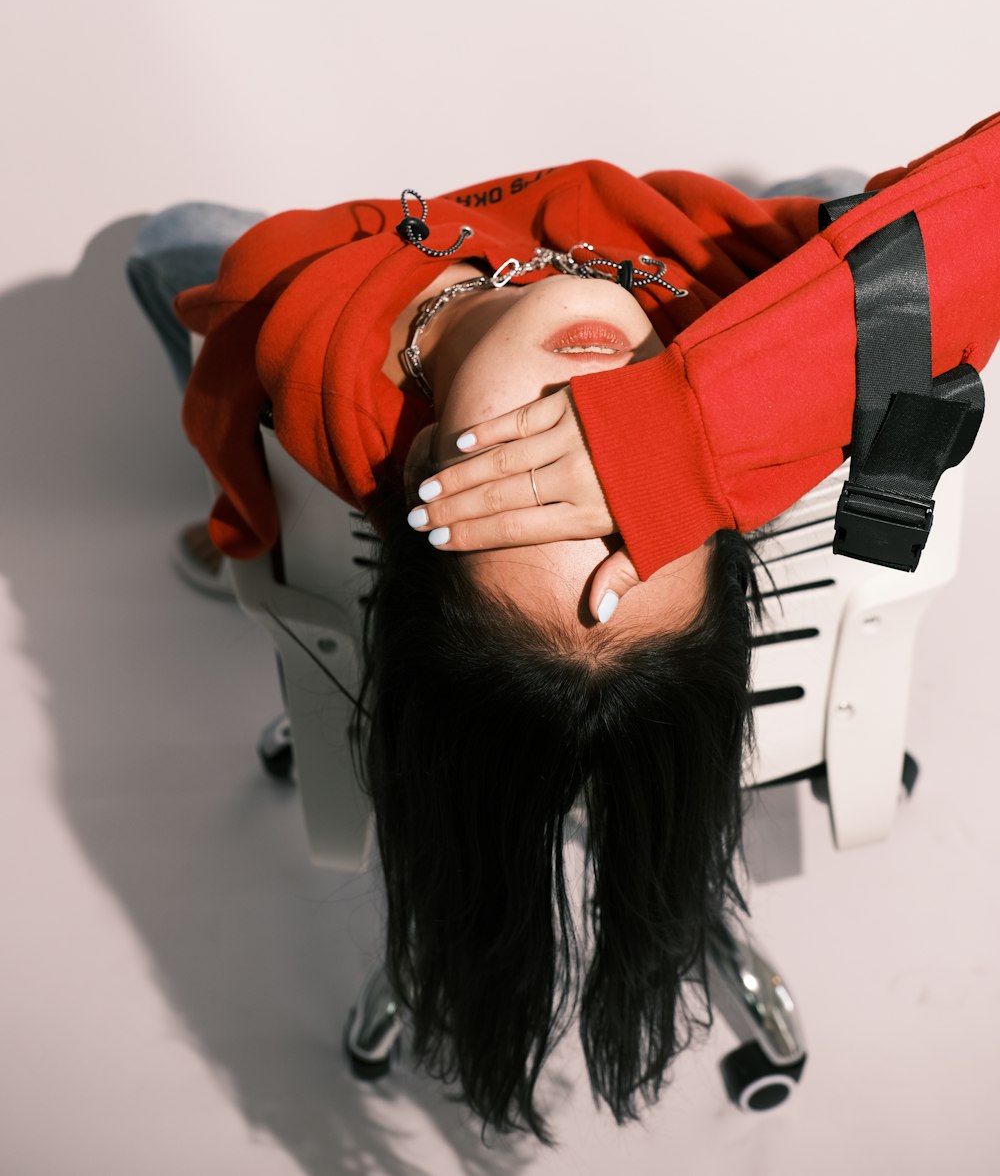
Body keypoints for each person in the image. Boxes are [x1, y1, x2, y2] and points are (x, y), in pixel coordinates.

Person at [125, 110, 1000, 1145]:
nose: (593, 409)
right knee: (851, 190)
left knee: (173, 241)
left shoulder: (328, 369)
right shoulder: (754, 343)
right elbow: (922, 273)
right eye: (632, 518)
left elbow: (268, 293)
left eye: (543, 495)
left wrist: (243, 523)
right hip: (710, 234)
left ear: (419, 485)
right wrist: (694, 420)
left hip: (405, 267)